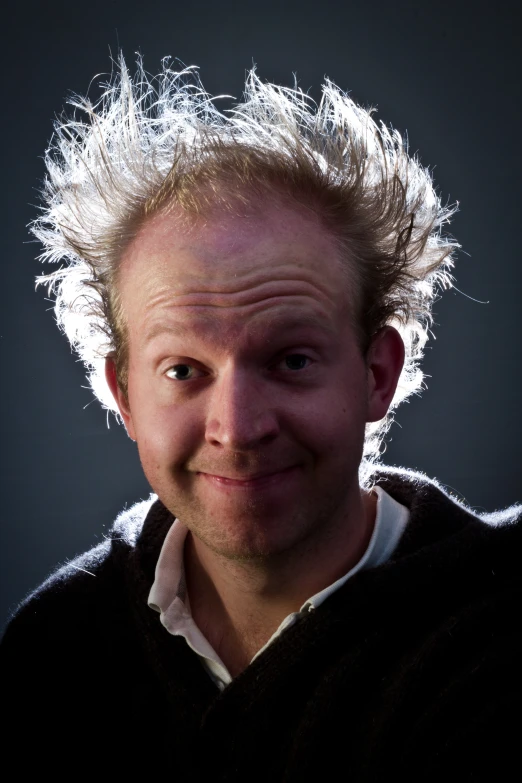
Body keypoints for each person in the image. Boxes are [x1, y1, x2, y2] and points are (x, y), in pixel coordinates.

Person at [1, 56, 520, 779]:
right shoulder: (53, 646)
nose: (238, 428)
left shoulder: (507, 628)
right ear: (124, 394)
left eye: (292, 361)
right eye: (184, 371)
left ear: (377, 375)